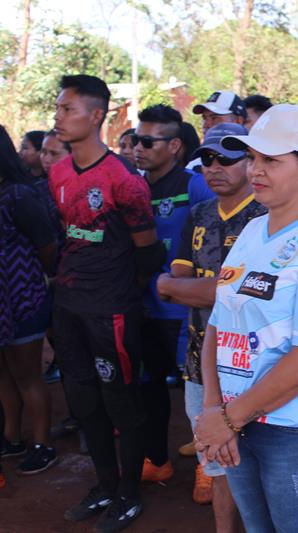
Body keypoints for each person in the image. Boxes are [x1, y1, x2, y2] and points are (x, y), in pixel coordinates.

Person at [192, 103, 298, 533]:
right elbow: (218, 322)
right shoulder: (253, 229)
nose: (255, 170)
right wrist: (215, 407)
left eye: (271, 159)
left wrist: (227, 419)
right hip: (240, 421)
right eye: (251, 158)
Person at [50, 74, 163, 532]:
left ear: (96, 116)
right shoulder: (57, 171)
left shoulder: (125, 179)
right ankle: (105, 484)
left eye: (67, 109)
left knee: (120, 401)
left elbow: (148, 251)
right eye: (57, 108)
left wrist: (118, 290)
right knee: (82, 399)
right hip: (69, 304)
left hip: (111, 308)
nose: (57, 117)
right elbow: (65, 237)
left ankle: (130, 494)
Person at [157, 123, 261, 531]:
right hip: (201, 357)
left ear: (251, 162)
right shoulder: (198, 213)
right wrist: (200, 287)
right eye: (208, 160)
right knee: (217, 463)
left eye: (226, 159)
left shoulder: (265, 215)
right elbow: (171, 282)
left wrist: (191, 287)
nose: (214, 167)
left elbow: (236, 295)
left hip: (255, 363)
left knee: (257, 464)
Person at [133, 104, 215, 484]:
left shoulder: (193, 185)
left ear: (175, 146)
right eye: (136, 139)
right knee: (149, 390)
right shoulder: (132, 185)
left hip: (186, 313)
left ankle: (207, 467)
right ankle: (156, 459)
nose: (139, 147)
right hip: (143, 308)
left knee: (198, 394)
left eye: (148, 141)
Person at [0, 125, 58, 476]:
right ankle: (11, 435)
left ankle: (42, 443)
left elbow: (46, 243)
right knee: (2, 371)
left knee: (27, 374)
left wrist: (40, 276)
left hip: (21, 295)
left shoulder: (19, 195)